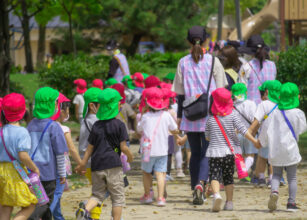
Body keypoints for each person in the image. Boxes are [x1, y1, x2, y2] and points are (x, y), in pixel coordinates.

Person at [172, 25, 228, 205]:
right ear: (205, 40)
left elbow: (179, 94)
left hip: (190, 114)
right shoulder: (213, 61)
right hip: (210, 114)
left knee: (195, 153)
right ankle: (200, 185)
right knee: (207, 153)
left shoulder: (183, 62)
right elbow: (221, 91)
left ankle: (195, 186)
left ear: (188, 41)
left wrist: (180, 116)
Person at [75, 88, 133, 220]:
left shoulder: (96, 125)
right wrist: (130, 156)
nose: (120, 104)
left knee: (97, 195)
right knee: (117, 198)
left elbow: (90, 148)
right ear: (113, 105)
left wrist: (83, 163)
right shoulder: (119, 125)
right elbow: (123, 147)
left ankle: (85, 210)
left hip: (96, 165)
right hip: (113, 165)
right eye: (118, 102)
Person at [205, 88, 258, 212]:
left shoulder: (211, 119)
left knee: (214, 175)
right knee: (228, 177)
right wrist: (255, 141)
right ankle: (229, 203)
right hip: (230, 152)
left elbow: (207, 136)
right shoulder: (233, 115)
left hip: (215, 152)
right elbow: (244, 129)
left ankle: (217, 195)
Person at [256, 82, 307, 212]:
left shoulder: (274, 113)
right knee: (292, 177)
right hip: (291, 150)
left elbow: (266, 129)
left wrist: (261, 142)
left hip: (276, 150)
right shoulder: (298, 113)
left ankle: (274, 191)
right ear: (297, 96)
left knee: (277, 174)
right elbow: (302, 129)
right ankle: (291, 203)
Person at [27, 87, 68, 220]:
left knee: (38, 201)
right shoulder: (54, 127)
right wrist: (62, 174)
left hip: (32, 173)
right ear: (52, 105)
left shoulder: (30, 125)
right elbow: (60, 154)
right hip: (48, 175)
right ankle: (29, 217)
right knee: (45, 202)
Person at [137, 87, 180, 206]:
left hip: (147, 149)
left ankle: (147, 196)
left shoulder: (145, 116)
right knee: (160, 174)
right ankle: (160, 198)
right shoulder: (166, 115)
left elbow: (139, 129)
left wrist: (142, 113)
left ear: (147, 103)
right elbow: (174, 128)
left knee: (146, 172)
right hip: (162, 149)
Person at [0, 93, 39, 220]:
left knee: (6, 204)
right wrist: (34, 168)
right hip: (15, 172)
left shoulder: (1, 130)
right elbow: (23, 155)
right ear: (23, 112)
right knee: (31, 203)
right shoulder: (22, 132)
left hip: (2, 171)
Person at [50, 93, 82, 220]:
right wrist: (80, 163)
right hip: (60, 167)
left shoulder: (46, 126)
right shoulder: (63, 128)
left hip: (48, 166)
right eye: (67, 109)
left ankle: (58, 217)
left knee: (54, 193)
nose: (68, 112)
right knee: (57, 193)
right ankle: (44, 214)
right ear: (61, 110)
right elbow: (72, 149)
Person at [249, 80, 282, 187]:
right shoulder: (282, 105)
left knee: (262, 157)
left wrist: (251, 132)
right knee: (273, 158)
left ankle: (262, 178)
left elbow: (257, 120)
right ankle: (272, 179)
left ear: (267, 92)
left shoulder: (264, 104)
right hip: (279, 136)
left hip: (265, 135)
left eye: (262, 92)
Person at [79, 88, 103, 220]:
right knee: (99, 193)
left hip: (89, 163)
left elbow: (81, 147)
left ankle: (86, 206)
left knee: (100, 191)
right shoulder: (96, 122)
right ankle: (91, 214)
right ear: (92, 105)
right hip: (96, 163)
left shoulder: (85, 121)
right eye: (102, 104)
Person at [238, 35, 276, 104]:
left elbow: (241, 90)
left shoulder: (246, 67)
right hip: (270, 108)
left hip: (252, 109)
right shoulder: (272, 65)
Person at [231, 83, 257, 181]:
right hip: (249, 133)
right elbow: (254, 119)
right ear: (245, 92)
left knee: (239, 156)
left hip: (236, 133)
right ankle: (244, 172)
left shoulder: (232, 106)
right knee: (250, 155)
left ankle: (242, 173)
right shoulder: (251, 103)